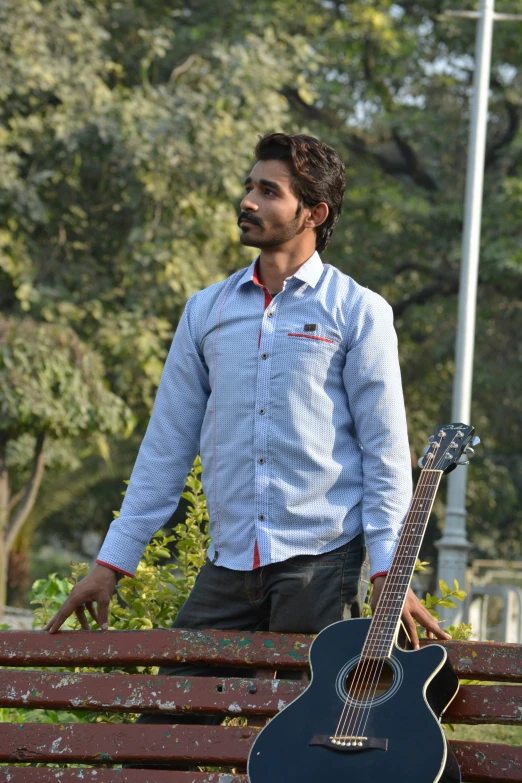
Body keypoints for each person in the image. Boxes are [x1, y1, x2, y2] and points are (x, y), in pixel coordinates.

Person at [46, 132, 449, 666]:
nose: (248, 202)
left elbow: (385, 456)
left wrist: (389, 573)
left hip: (323, 564)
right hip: (231, 562)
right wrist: (111, 562)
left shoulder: (358, 312)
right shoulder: (206, 311)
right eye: (248, 187)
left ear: (313, 212)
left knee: (303, 732)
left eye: (269, 191)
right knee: (175, 714)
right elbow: (167, 444)